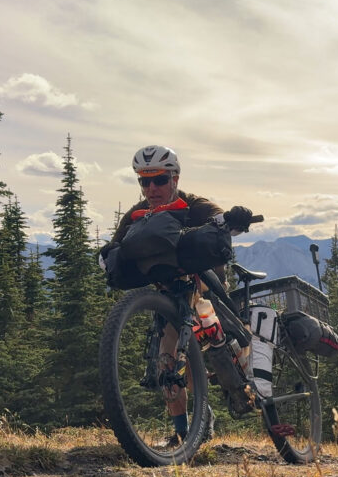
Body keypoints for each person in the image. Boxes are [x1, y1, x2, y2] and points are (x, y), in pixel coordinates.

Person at [106, 145, 254, 446]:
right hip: (168, 293)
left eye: (159, 180)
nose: (151, 188)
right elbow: (116, 244)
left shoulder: (193, 204)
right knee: (168, 361)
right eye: (144, 181)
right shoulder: (138, 214)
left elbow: (221, 220)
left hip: (205, 288)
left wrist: (235, 219)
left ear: (175, 178)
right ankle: (184, 433)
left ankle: (239, 383)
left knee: (221, 346)